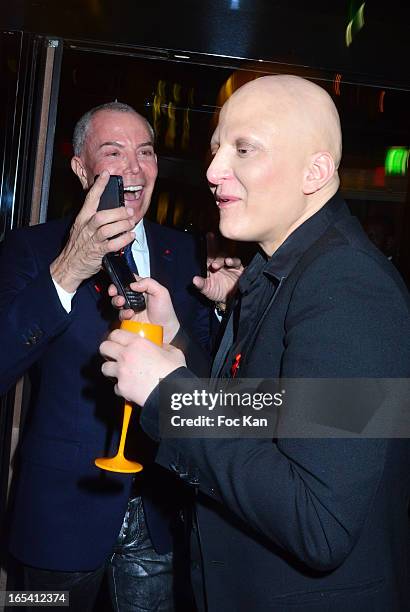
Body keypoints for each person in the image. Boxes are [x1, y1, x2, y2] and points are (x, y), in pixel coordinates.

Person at [100, 76, 410, 612]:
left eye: (244, 148)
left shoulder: (346, 284)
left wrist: (171, 397)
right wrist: (177, 341)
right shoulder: (280, 269)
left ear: (315, 172)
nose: (214, 170)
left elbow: (319, 522)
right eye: (218, 147)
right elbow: (266, 412)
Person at [0, 101, 214, 611]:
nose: (134, 167)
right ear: (80, 168)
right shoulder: (31, 249)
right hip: (57, 520)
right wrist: (67, 271)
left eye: (145, 152)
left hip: (160, 517)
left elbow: (207, 384)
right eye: (113, 152)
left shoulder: (187, 255)